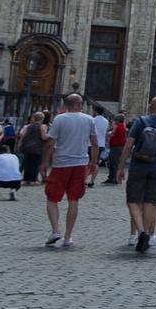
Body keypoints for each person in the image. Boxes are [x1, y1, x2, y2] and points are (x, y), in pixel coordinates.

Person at [119, 96, 156, 253]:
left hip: (138, 167)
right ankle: (148, 235)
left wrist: (120, 166)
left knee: (133, 200)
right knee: (151, 202)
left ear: (149, 106)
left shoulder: (139, 122)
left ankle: (141, 232)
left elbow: (128, 146)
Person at [41, 93, 98, 247]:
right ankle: (68, 237)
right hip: (80, 164)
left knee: (52, 197)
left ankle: (55, 230)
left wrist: (45, 161)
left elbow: (51, 143)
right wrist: (94, 162)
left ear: (66, 105)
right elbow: (94, 143)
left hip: (61, 163)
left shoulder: (59, 119)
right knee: (74, 199)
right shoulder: (89, 119)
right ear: (79, 104)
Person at [18, 111, 47, 185]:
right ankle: (33, 180)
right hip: (37, 148)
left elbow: (22, 135)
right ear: (42, 119)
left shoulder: (28, 126)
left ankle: (26, 179)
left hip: (27, 147)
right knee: (35, 164)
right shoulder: (42, 127)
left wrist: (20, 143)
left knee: (27, 164)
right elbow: (43, 137)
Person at [88, 106, 110, 189]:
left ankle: (84, 179)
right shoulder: (106, 121)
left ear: (95, 111)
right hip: (101, 143)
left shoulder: (93, 120)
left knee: (89, 162)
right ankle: (92, 181)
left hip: (91, 143)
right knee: (96, 163)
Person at [104, 114, 127, 184]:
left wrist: (111, 132)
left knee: (114, 163)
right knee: (111, 163)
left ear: (118, 120)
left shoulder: (120, 128)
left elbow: (112, 135)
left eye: (114, 120)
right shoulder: (121, 127)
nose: (113, 121)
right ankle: (112, 177)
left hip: (117, 147)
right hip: (115, 147)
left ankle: (115, 178)